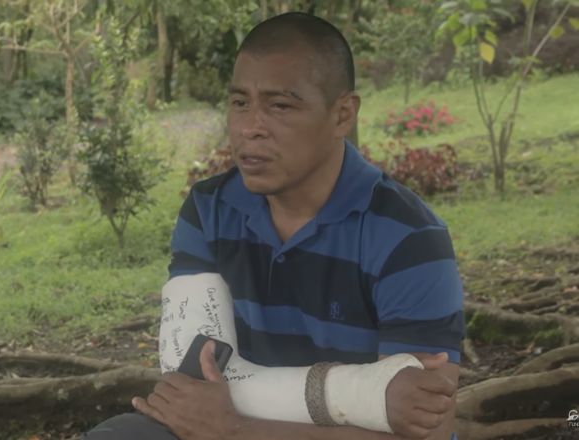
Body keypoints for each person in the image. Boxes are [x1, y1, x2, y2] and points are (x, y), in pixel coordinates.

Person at [84, 11, 464, 440]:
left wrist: (237, 430)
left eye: (280, 105)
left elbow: (425, 430)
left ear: (343, 115)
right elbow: (193, 377)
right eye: (239, 103)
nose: (250, 128)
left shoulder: (409, 237)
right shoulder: (209, 210)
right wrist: (361, 395)